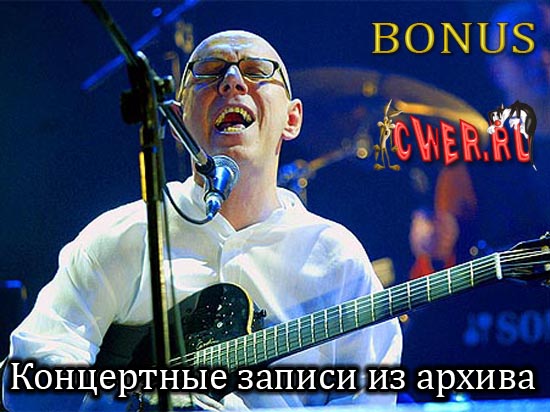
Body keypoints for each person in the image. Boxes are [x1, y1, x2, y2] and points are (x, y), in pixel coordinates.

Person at [1, 30, 402, 410]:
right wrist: (134, 404)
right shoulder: (125, 235)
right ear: (177, 122)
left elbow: (369, 403)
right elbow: (28, 378)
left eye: (256, 71)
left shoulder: (336, 256)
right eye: (210, 72)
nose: (232, 82)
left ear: (291, 119)